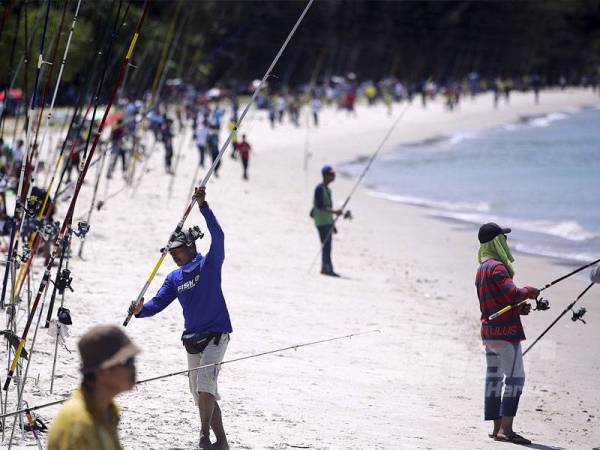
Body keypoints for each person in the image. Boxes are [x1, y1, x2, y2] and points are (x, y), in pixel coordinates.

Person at [129, 186, 232, 450]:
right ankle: (221, 441)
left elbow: (218, 236)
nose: (174, 256)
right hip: (192, 339)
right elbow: (158, 303)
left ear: (190, 246)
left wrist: (204, 206)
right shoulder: (174, 278)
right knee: (200, 393)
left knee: (206, 383)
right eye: (171, 254)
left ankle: (203, 437)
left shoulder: (209, 264)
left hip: (217, 334)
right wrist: (140, 310)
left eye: (177, 251)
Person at [475, 223, 539, 445]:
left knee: (494, 378)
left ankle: (496, 428)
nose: (506, 242)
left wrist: (518, 308)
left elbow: (496, 302)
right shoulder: (498, 268)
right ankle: (507, 430)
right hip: (505, 334)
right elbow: (513, 293)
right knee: (515, 378)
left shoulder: (482, 269)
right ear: (496, 242)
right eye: (504, 238)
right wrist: (529, 292)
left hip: (489, 333)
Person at [47, 325, 141, 450]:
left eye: (133, 360)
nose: (133, 368)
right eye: (127, 361)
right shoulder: (81, 426)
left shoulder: (108, 410)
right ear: (102, 370)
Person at [311, 165, 343, 276]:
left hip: (327, 221)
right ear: (326, 176)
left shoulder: (327, 189)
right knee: (326, 246)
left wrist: (332, 224)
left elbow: (327, 205)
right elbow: (320, 206)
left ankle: (327, 267)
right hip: (321, 221)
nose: (334, 176)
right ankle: (326, 268)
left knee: (328, 246)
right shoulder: (319, 189)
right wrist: (335, 212)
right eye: (331, 174)